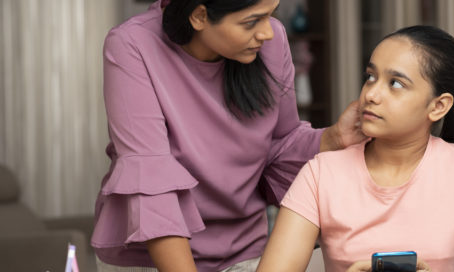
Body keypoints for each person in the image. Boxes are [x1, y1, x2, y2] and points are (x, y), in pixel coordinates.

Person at [90, 0, 366, 271]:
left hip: (246, 255)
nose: (267, 32)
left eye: (270, 15)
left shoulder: (272, 40)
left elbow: (282, 144)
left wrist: (333, 139)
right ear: (199, 16)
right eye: (251, 21)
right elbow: (150, 181)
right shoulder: (132, 44)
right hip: (157, 258)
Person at [257, 25, 454, 272]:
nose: (371, 94)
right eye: (370, 77)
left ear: (438, 106)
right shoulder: (321, 173)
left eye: (396, 84)